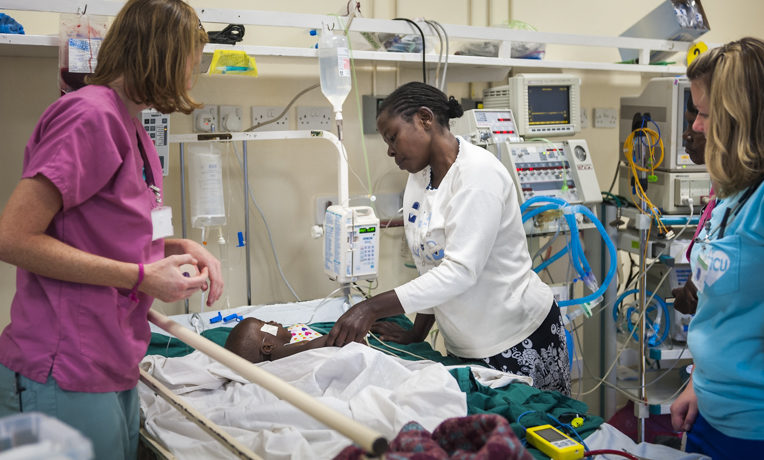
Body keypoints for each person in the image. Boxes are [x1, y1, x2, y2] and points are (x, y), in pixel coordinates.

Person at [0, 1, 222, 459]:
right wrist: (143, 278)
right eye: (190, 63)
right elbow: (13, 238)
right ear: (161, 55)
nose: (190, 77)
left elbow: (112, 222)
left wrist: (180, 246)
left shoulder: (130, 122)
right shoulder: (90, 116)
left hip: (111, 359)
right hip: (63, 366)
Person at [325, 81, 570, 395]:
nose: (390, 151)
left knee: (547, 428)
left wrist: (370, 308)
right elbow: (431, 265)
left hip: (517, 335)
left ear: (425, 119)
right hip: (464, 341)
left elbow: (459, 272)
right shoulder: (420, 179)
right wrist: (417, 330)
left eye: (393, 137)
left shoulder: (478, 177)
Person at [670, 37, 764, 459]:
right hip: (708, 411)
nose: (695, 127)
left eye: (704, 114)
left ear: (739, 118)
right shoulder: (732, 196)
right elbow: (720, 310)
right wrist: (697, 383)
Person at [671, 92, 709, 315]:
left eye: (700, 118)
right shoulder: (723, 189)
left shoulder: (752, 194)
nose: (687, 134)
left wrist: (696, 287)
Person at [224, 318, 328, 363]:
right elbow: (308, 346)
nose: (272, 322)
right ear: (268, 347)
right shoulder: (278, 355)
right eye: (266, 325)